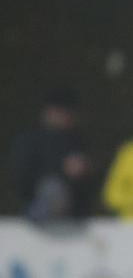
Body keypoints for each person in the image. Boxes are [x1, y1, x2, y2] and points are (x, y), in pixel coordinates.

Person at [9, 88, 97, 221]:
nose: (62, 116)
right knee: (53, 188)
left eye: (67, 112)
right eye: (58, 112)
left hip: (73, 215)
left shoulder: (78, 142)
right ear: (47, 112)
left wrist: (84, 171)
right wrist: (62, 171)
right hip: (36, 208)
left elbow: (91, 186)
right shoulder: (30, 140)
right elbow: (21, 177)